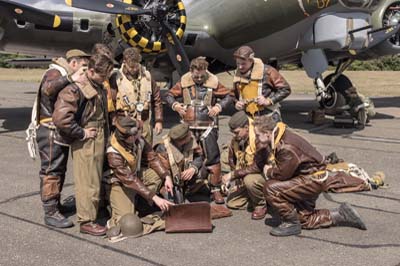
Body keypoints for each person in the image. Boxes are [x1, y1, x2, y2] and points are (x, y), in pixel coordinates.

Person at [233, 115, 380, 236]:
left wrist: (268, 171)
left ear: (266, 133)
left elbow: (282, 175)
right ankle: (341, 215)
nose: (256, 139)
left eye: (258, 135)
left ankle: (291, 223)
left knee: (271, 188)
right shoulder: (279, 137)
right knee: (305, 219)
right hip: (310, 178)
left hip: (312, 180)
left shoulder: (286, 146)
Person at [53, 54, 114, 236]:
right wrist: (82, 133)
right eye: (103, 75)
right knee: (87, 182)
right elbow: (61, 118)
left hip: (99, 137)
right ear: (91, 71)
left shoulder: (97, 85)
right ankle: (87, 221)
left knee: (96, 179)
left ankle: (95, 213)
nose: (105, 79)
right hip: (87, 141)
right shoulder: (74, 89)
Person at [165, 57, 233, 204]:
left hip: (208, 127)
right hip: (188, 128)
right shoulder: (183, 82)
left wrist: (218, 107)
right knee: (187, 156)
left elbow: (229, 95)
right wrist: (176, 105)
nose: (199, 79)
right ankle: (184, 185)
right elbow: (169, 95)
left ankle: (215, 188)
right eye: (196, 76)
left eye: (202, 76)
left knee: (212, 156)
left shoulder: (213, 82)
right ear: (191, 72)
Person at [35, 49, 90, 228]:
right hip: (50, 131)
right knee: (51, 171)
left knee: (59, 170)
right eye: (83, 66)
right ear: (73, 64)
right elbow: (47, 89)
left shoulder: (62, 73)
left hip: (58, 132)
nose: (84, 70)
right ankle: (50, 212)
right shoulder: (55, 73)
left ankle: (56, 204)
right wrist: (71, 79)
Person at [105, 116, 174, 239]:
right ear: (128, 137)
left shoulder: (137, 140)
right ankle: (112, 206)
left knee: (155, 176)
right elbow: (128, 179)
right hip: (119, 183)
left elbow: (152, 157)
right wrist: (154, 197)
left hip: (134, 176)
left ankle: (141, 201)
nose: (139, 134)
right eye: (136, 133)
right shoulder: (113, 151)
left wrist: (166, 176)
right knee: (128, 222)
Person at [232, 45, 291, 154]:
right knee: (252, 149)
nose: (240, 67)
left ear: (251, 60)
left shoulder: (268, 71)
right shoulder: (238, 73)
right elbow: (234, 94)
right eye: (237, 64)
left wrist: (268, 100)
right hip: (250, 118)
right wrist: (237, 102)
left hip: (269, 117)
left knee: (274, 147)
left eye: (243, 64)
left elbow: (285, 89)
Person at [109, 47, 163, 144]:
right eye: (131, 67)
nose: (134, 69)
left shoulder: (147, 76)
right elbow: (111, 103)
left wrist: (159, 120)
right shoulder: (116, 78)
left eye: (136, 66)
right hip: (125, 123)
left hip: (144, 122)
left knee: (146, 154)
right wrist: (114, 123)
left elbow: (156, 98)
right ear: (124, 62)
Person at [223, 111, 267, 219]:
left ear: (246, 127)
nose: (235, 135)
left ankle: (261, 205)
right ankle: (259, 197)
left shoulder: (259, 138)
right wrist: (233, 180)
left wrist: (233, 175)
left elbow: (258, 166)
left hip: (266, 175)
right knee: (232, 203)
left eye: (237, 132)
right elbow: (232, 159)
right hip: (249, 173)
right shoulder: (238, 139)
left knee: (250, 181)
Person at [154, 123, 208, 202]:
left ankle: (191, 189)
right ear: (182, 140)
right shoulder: (163, 149)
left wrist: (193, 168)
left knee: (203, 170)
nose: (191, 134)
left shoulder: (191, 141)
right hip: (170, 179)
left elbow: (199, 156)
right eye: (189, 134)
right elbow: (164, 171)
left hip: (185, 176)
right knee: (177, 202)